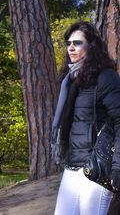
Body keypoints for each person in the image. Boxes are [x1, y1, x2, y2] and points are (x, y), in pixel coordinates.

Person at [52, 21, 120, 215]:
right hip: (72, 166)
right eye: (68, 43)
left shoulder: (106, 77)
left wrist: (117, 167)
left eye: (77, 43)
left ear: (92, 45)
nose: (71, 48)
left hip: (96, 167)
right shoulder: (70, 80)